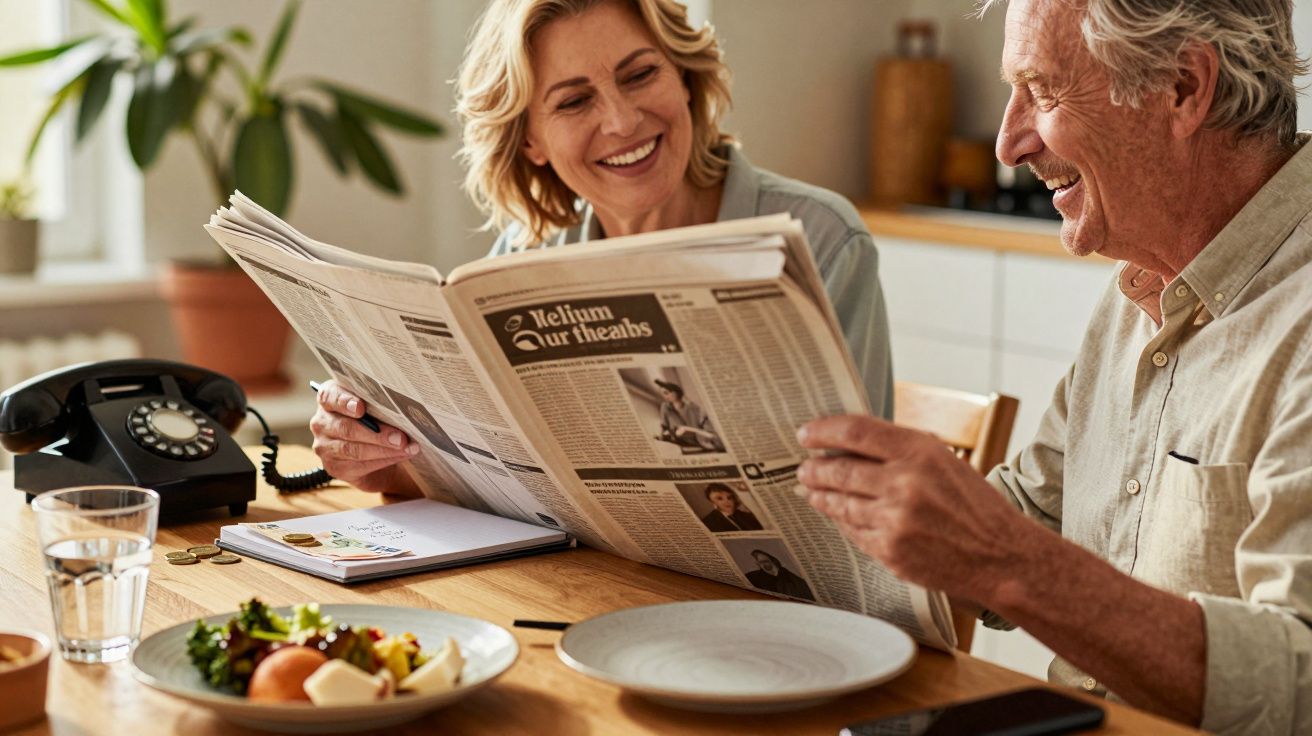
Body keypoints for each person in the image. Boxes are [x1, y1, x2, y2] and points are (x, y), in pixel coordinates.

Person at [795, 1, 1311, 733]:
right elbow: (1038, 507)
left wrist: (1004, 560)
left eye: (1041, 90)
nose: (1007, 143)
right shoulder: (1140, 283)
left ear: (1184, 88)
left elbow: (1300, 685)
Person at [310, 0, 894, 495]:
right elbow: (492, 475)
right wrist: (381, 462)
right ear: (532, 139)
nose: (621, 120)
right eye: (573, 101)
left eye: (640, 74)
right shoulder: (522, 256)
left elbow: (861, 499)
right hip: (587, 589)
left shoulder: (820, 238)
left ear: (684, 78)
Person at [654, 378, 724, 452]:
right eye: (663, 394)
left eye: (666, 393)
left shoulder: (694, 408)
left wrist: (688, 429)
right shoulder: (665, 407)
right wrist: (661, 439)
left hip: (701, 442)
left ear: (675, 392)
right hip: (680, 442)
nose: (665, 397)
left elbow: (711, 435)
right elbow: (664, 426)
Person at [745, 549, 813, 601]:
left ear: (773, 561)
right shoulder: (754, 577)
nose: (762, 565)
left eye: (764, 561)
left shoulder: (791, 578)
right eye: (759, 563)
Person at [699, 482, 763, 532]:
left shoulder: (747, 516)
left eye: (729, 497)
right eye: (719, 498)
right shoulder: (707, 522)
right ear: (712, 502)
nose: (727, 501)